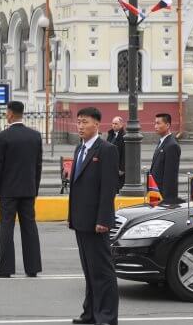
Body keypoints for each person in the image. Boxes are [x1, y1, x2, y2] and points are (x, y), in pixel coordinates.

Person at [68, 107, 119, 325]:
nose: (80, 126)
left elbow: (108, 188)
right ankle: (89, 313)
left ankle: (106, 316)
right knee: (89, 270)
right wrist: (72, 217)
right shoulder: (79, 149)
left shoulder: (106, 149)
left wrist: (103, 220)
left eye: (85, 122)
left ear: (97, 124)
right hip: (81, 220)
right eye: (78, 122)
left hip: (97, 222)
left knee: (102, 271)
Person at [0, 100, 43, 278]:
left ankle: (5, 268)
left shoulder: (3, 136)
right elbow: (38, 165)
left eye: (6, 112)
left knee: (6, 228)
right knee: (30, 227)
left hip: (7, 192)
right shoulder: (35, 136)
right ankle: (32, 267)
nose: (6, 114)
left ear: (10, 114)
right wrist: (34, 188)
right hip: (28, 190)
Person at [149, 113, 181, 202]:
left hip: (163, 196)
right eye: (155, 123)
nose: (155, 126)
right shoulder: (162, 141)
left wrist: (167, 200)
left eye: (158, 123)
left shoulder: (172, 145)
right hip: (156, 192)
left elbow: (170, 176)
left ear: (167, 125)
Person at [106, 116, 126, 191]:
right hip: (110, 166)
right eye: (113, 123)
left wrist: (122, 168)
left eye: (116, 124)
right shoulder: (110, 134)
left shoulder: (124, 136)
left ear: (121, 125)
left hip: (118, 167)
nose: (114, 125)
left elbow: (124, 154)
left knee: (118, 187)